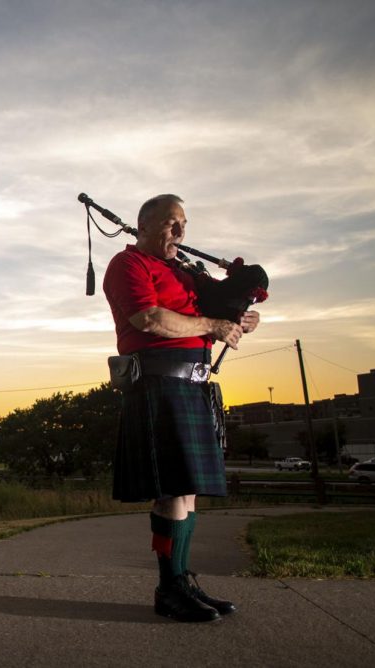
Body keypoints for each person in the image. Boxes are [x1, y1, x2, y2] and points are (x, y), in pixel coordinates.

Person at [102, 194, 259, 623]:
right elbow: (150, 319)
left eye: (184, 224)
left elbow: (217, 312)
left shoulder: (185, 272)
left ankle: (183, 580)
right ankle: (168, 589)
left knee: (187, 490)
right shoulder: (128, 264)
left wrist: (241, 317)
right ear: (143, 226)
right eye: (171, 223)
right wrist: (213, 325)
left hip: (193, 385)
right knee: (171, 489)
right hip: (159, 383)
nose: (180, 231)